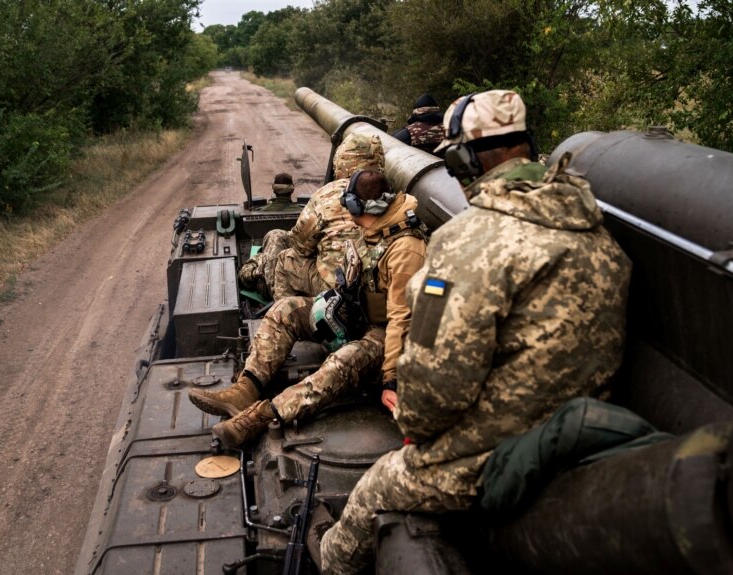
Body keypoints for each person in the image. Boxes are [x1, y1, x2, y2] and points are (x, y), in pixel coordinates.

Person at [316, 90, 633, 574]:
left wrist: (413, 425)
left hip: (499, 454)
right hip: (576, 436)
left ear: (465, 157)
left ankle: (328, 564)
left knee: (377, 486)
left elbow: (433, 390)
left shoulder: (467, 242)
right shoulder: (596, 230)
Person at [190, 169, 427, 447]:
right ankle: (246, 388)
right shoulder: (374, 229)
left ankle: (261, 416)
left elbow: (401, 319)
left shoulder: (405, 249)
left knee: (342, 363)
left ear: (359, 206)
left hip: (385, 334)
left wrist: (390, 380)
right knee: (285, 310)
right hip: (358, 313)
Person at [237, 134, 385, 302]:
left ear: (341, 161)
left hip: (336, 288)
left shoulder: (328, 194)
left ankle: (284, 311)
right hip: (374, 289)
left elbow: (300, 246)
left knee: (283, 254)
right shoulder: (391, 194)